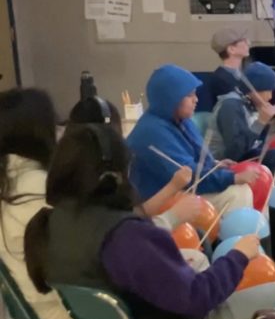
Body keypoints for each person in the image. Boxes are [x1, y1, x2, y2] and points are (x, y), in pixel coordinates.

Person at [23, 123, 275, 319]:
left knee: (196, 261)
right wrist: (239, 256)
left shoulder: (51, 224)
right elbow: (198, 297)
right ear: (111, 177)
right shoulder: (125, 235)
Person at [126, 64, 258, 215]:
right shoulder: (151, 132)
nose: (196, 100)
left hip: (183, 189)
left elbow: (195, 161)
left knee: (246, 185)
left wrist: (214, 164)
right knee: (238, 193)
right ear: (171, 99)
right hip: (159, 201)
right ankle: (235, 238)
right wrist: (232, 178)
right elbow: (188, 175)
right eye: (189, 95)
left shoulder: (180, 119)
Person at [68, 94, 204, 228]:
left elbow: (135, 214)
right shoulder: (106, 182)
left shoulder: (65, 188)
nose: (195, 99)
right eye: (189, 94)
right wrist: (173, 217)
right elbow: (130, 232)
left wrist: (173, 186)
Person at [0, 88, 74, 319]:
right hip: (60, 304)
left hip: (29, 301)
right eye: (54, 121)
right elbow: (89, 244)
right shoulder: (39, 187)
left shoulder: (9, 180)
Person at [210, 62, 275, 188]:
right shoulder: (231, 106)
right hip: (227, 161)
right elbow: (235, 151)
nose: (270, 96)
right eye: (267, 91)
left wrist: (270, 137)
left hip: (247, 151)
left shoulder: (250, 103)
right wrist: (260, 121)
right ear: (253, 90)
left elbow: (253, 139)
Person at [209, 28, 251, 101]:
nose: (248, 43)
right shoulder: (221, 79)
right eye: (243, 41)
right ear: (231, 49)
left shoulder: (238, 75)